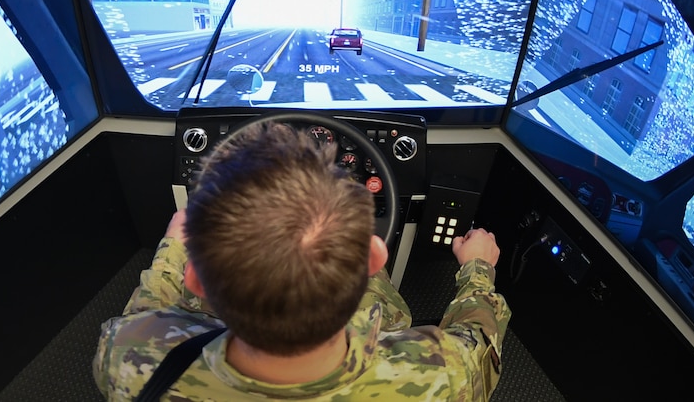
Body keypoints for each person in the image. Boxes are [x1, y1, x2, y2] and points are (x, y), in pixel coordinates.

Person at [93, 121, 511, 400]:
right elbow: (479, 340)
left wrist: (171, 246)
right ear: (374, 255)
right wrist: (478, 268)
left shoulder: (126, 358)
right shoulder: (443, 375)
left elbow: (146, 317)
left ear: (197, 281)